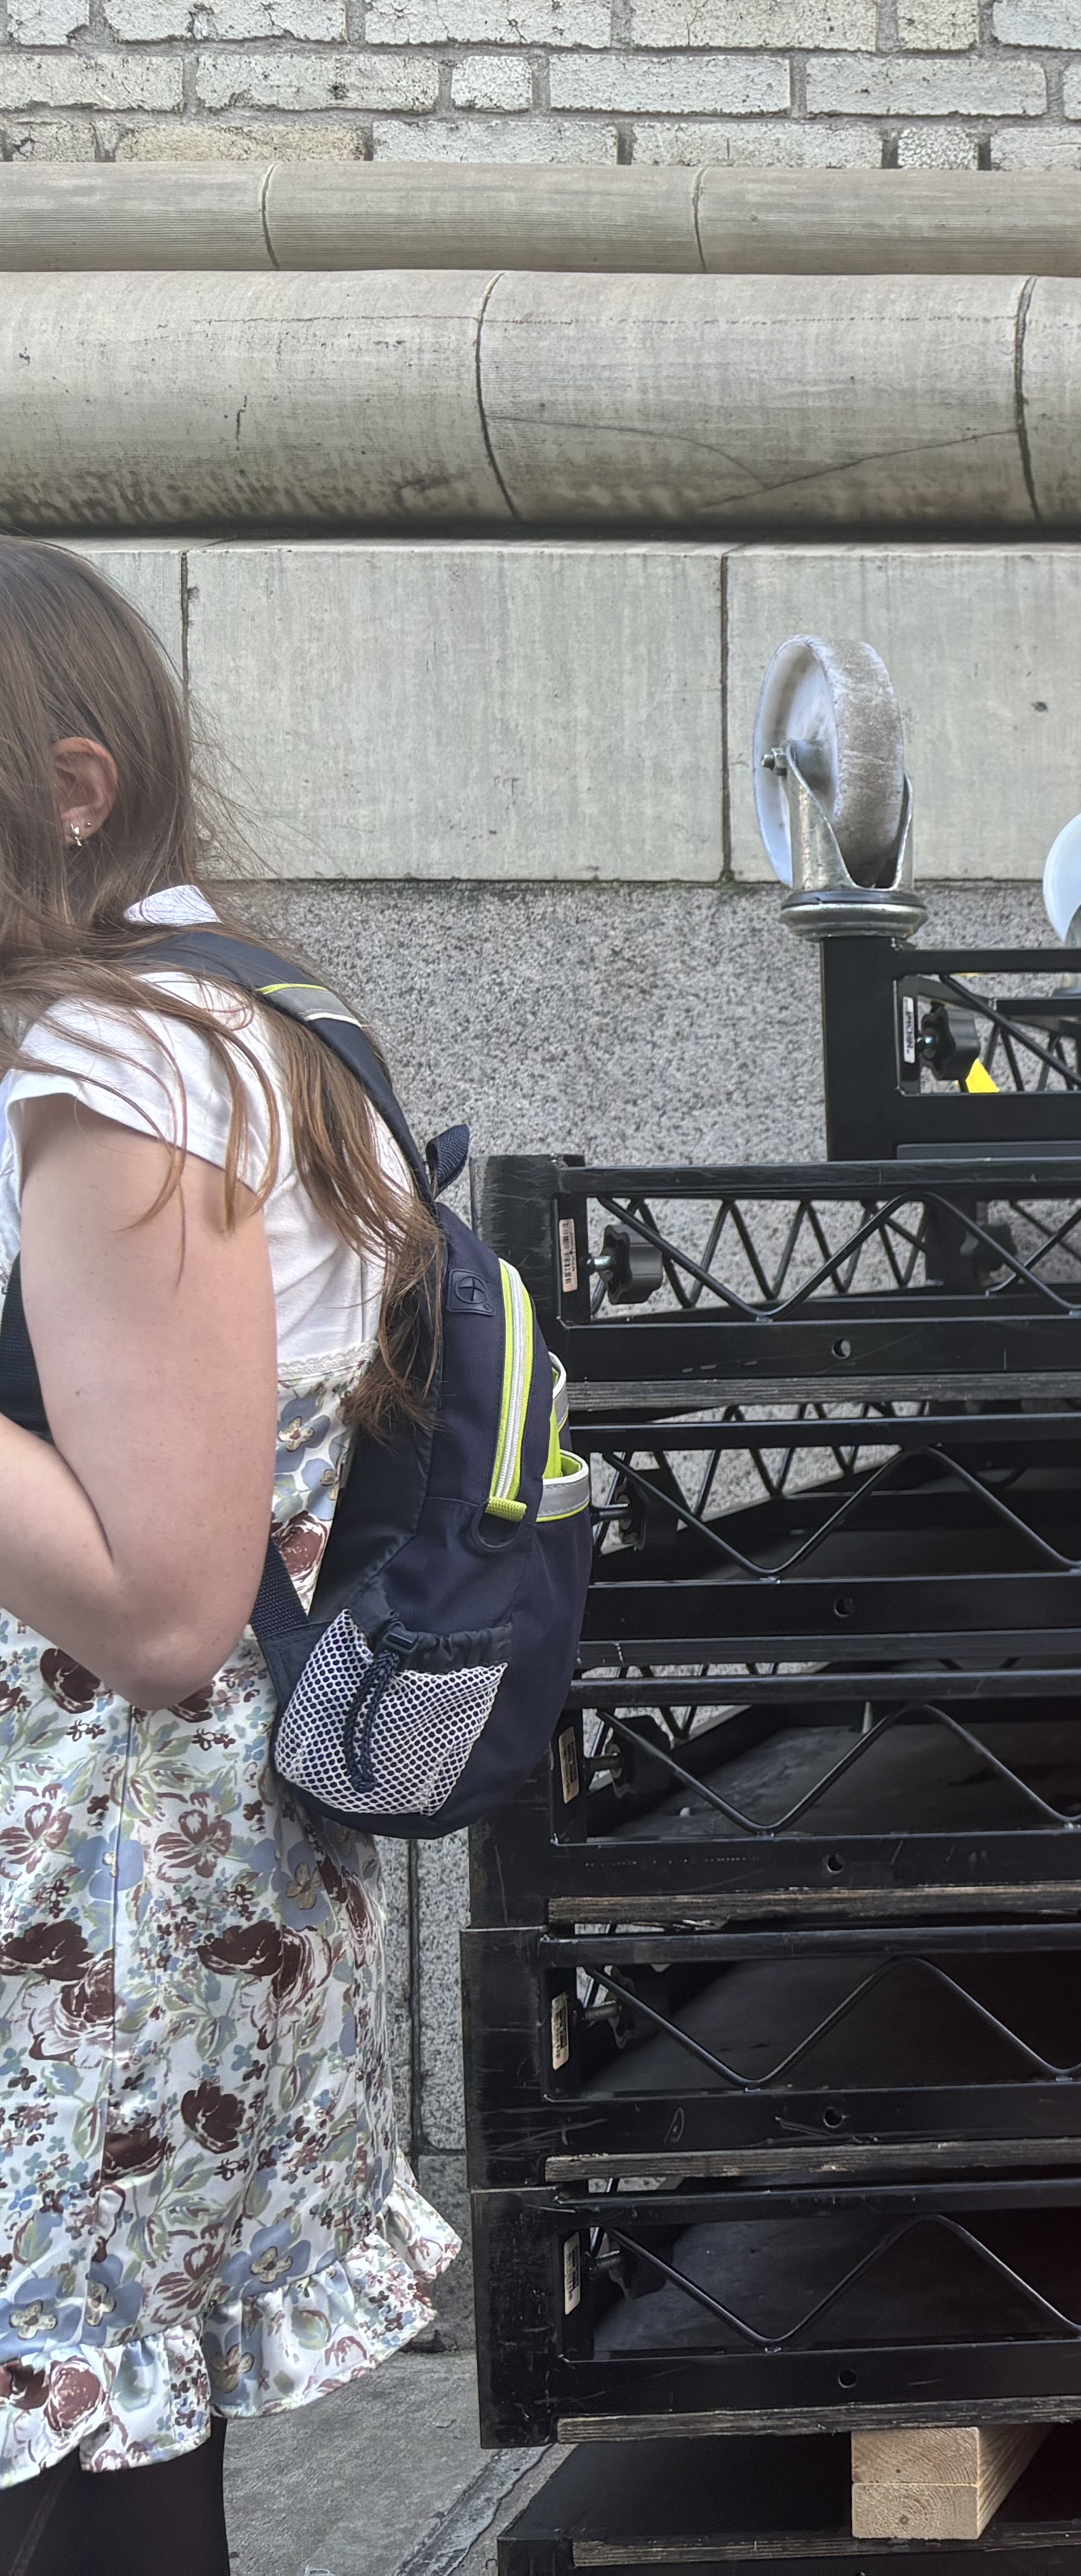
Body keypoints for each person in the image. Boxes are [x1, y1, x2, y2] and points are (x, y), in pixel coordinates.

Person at [0, 541, 456, 2574]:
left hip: (100, 1906)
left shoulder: (127, 1077)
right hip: (167, 1900)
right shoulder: (243, 1015)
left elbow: (167, 1598)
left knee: (86, 2465)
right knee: (109, 2439)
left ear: (71, 790)